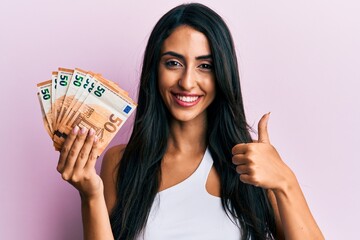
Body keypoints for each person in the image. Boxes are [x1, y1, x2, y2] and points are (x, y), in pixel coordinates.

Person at [56, 3, 324, 240]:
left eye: (205, 66)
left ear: (223, 74)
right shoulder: (120, 163)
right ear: (155, 70)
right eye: (173, 63)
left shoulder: (253, 162)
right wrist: (90, 195)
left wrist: (286, 182)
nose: (186, 82)